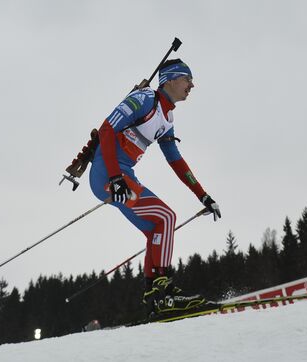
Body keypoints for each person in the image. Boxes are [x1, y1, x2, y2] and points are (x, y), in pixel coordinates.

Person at [89, 59, 221, 316]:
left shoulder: (167, 117)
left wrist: (202, 195)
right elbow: (106, 130)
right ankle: (164, 290)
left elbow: (176, 161)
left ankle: (155, 297)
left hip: (123, 175)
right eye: (187, 79)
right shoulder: (143, 100)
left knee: (156, 228)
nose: (192, 85)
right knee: (166, 217)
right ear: (170, 79)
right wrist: (115, 178)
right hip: (108, 172)